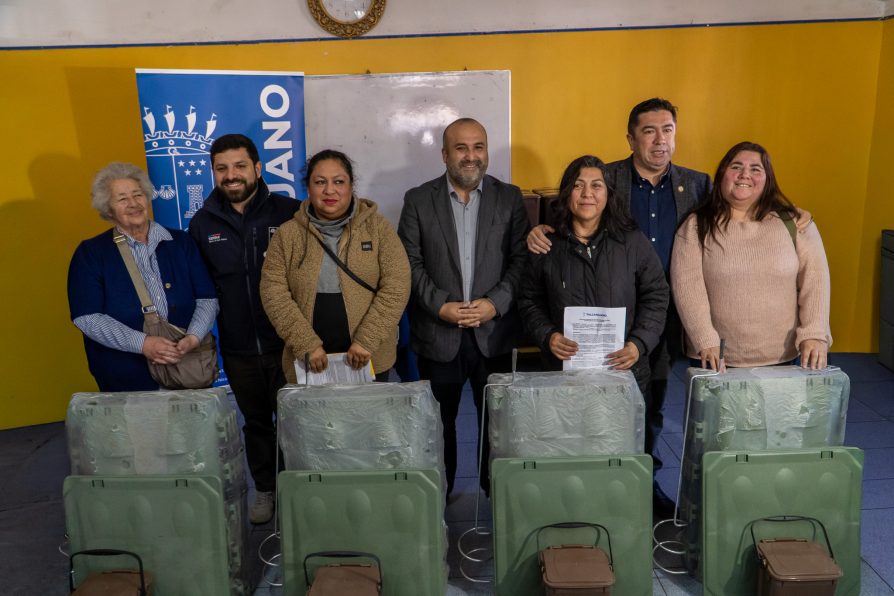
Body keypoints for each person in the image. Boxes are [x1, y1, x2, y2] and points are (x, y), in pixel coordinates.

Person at [526, 98, 710, 518]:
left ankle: (641, 485)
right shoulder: (606, 177)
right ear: (631, 138)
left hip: (657, 320)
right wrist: (539, 229)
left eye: (667, 130)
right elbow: (568, 213)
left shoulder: (697, 184)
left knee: (649, 408)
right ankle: (582, 492)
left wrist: (790, 214)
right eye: (649, 131)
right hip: (591, 324)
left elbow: (734, 215)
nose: (660, 140)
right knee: (577, 420)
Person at [397, 118, 529, 496]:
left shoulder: (510, 198)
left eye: (478, 147)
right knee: (440, 422)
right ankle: (442, 492)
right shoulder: (418, 200)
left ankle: (497, 492)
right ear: (444, 154)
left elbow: (521, 261)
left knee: (498, 423)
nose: (471, 156)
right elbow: (409, 263)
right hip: (439, 335)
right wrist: (441, 307)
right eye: (461, 148)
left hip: (495, 334)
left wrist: (495, 303)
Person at [188, 134, 299, 525]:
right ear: (213, 172)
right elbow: (201, 289)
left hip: (289, 344)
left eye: (239, 166)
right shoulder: (202, 224)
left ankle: (300, 487)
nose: (231, 175)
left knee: (297, 419)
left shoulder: (289, 212)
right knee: (256, 424)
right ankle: (266, 490)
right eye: (222, 168)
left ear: (257, 168)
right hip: (237, 349)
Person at [671, 141, 831, 370]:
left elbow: (816, 281)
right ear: (722, 174)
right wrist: (704, 339)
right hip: (717, 358)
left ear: (767, 180)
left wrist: (814, 334)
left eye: (756, 169)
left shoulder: (795, 223)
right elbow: (687, 287)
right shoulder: (696, 226)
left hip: (784, 356)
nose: (745, 174)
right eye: (736, 166)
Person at [518, 155, 669, 396]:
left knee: (619, 434)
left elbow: (657, 295)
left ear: (608, 194)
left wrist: (638, 344)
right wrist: (548, 336)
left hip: (623, 373)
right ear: (567, 193)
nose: (587, 193)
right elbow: (529, 300)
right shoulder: (547, 245)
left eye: (596, 185)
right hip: (564, 376)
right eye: (578, 185)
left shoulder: (631, 242)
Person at [260, 149, 410, 384]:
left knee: (367, 420)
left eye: (338, 181)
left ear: (351, 186)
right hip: (309, 362)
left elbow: (397, 286)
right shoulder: (287, 234)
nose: (330, 190)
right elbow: (273, 292)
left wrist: (366, 340)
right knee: (314, 421)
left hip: (367, 358)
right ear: (308, 188)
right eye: (320, 182)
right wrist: (305, 343)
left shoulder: (379, 229)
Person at [68, 162, 218, 393]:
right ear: (108, 208)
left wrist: (194, 338)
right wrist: (143, 344)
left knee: (189, 429)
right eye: (122, 199)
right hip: (125, 375)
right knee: (139, 430)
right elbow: (87, 317)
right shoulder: (91, 253)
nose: (133, 204)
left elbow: (207, 298)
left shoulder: (181, 243)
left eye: (138, 195)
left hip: (187, 366)